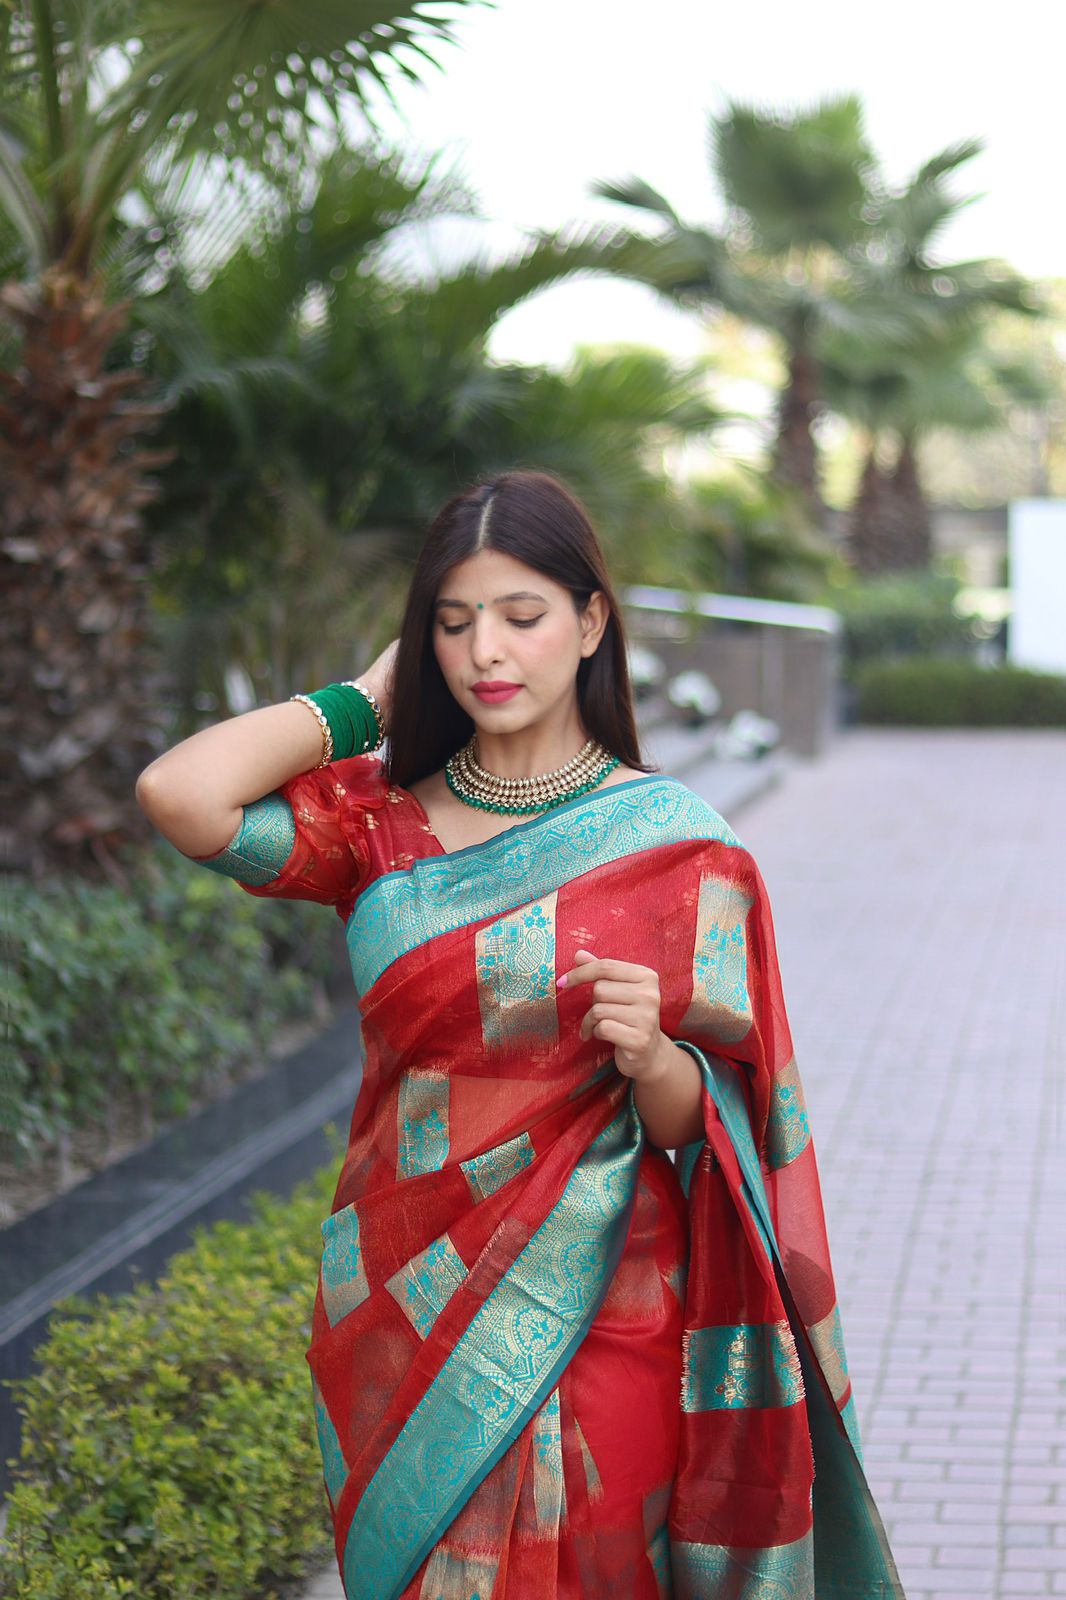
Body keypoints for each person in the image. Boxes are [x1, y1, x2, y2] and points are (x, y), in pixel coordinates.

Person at [136, 470, 904, 1599]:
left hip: (602, 1308)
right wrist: (360, 702)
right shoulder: (378, 823)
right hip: (400, 1302)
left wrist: (655, 1058)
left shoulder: (676, 848)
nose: (484, 651)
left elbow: (716, 1124)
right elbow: (179, 795)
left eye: (521, 615)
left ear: (591, 622)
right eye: (451, 623)